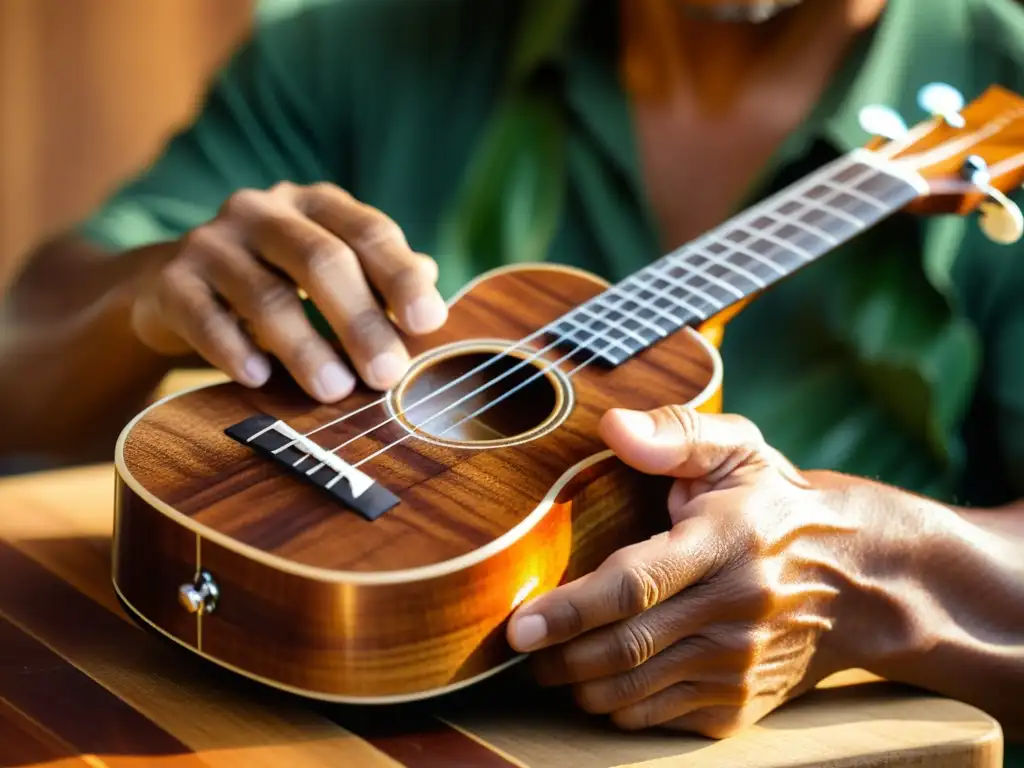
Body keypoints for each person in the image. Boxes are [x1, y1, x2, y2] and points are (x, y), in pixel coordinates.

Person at [2, 0, 1022, 755]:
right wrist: (145, 289)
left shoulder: (1004, 78)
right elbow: (19, 359)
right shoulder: (354, 47)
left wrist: (886, 572)